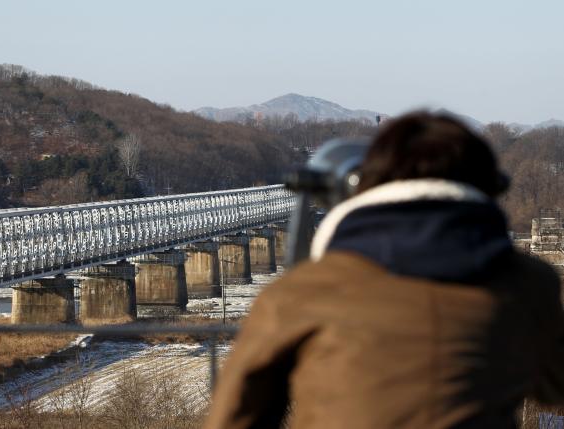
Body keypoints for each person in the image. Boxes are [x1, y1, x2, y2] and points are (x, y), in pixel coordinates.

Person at [204, 112, 564, 429]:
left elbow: (236, 416)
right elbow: (554, 388)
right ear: (487, 189)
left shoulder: (300, 292)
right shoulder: (529, 282)